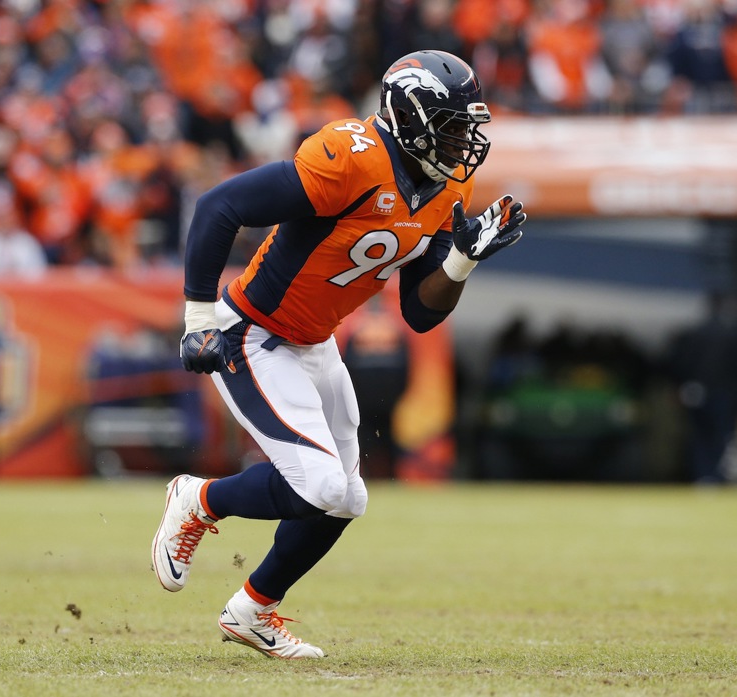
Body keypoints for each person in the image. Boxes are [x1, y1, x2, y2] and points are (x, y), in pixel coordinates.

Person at [151, 50, 527, 658]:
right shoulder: (349, 157)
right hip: (253, 335)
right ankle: (197, 499)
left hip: (314, 342)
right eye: (453, 124)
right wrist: (197, 320)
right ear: (412, 118)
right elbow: (218, 207)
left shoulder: (446, 181)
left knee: (348, 496)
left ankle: (253, 609)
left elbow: (420, 313)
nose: (464, 140)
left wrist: (463, 259)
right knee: (321, 487)